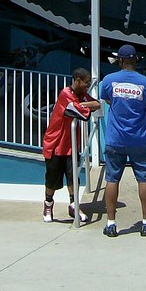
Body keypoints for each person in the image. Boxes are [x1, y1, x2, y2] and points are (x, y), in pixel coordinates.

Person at [99, 44, 146, 237]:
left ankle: (111, 224)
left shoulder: (108, 80)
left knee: (111, 179)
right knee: (144, 179)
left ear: (120, 60)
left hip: (115, 139)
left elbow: (108, 100)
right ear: (136, 60)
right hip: (139, 139)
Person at [41, 68, 101, 223]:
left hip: (71, 145)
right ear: (77, 80)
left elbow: (97, 104)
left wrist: (83, 103)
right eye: (86, 83)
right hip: (55, 143)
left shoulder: (80, 96)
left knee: (72, 175)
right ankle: (48, 204)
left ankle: (74, 205)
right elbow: (81, 112)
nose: (88, 86)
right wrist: (83, 105)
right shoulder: (65, 94)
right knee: (52, 178)